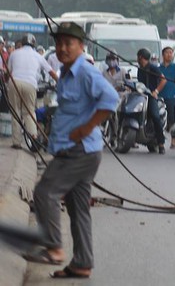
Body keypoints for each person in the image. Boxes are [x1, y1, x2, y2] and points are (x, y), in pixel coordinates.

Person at [25, 21, 119, 279]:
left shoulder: (87, 73)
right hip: (75, 149)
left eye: (69, 43)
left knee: (44, 193)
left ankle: (54, 247)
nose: (62, 48)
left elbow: (111, 99)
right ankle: (82, 263)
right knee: (78, 210)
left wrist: (87, 127)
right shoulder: (66, 73)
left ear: (81, 46)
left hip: (79, 150)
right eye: (59, 43)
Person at [7, 34, 58, 149]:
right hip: (30, 84)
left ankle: (16, 142)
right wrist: (62, 83)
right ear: (34, 44)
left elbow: (8, 72)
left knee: (16, 112)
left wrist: (6, 80)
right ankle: (34, 137)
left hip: (15, 82)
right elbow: (51, 72)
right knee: (29, 112)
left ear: (22, 43)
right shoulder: (38, 56)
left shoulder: (14, 53)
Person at [136, 48, 167, 154]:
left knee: (155, 116)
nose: (137, 59)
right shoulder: (140, 68)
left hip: (151, 97)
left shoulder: (153, 68)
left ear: (140, 57)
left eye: (138, 57)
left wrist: (156, 91)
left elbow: (163, 79)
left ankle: (161, 144)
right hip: (141, 96)